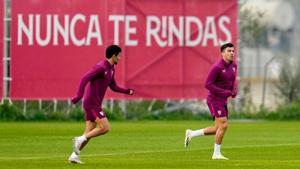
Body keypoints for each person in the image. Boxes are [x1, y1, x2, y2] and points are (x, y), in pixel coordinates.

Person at [68, 45, 134, 164]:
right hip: (92, 103)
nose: (120, 57)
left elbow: (113, 86)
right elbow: (84, 78)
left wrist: (127, 91)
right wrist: (79, 95)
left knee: (89, 132)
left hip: (95, 103)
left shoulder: (112, 69)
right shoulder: (101, 67)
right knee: (105, 128)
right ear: (113, 55)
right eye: (119, 55)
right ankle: (79, 139)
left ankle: (74, 156)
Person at [184, 43, 237, 160]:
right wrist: (224, 92)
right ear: (222, 53)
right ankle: (216, 154)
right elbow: (208, 84)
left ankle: (191, 134)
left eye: (233, 51)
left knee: (217, 129)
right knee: (224, 125)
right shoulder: (217, 67)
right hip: (214, 100)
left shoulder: (233, 66)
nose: (232, 53)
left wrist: (234, 90)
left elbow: (232, 81)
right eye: (229, 51)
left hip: (223, 100)